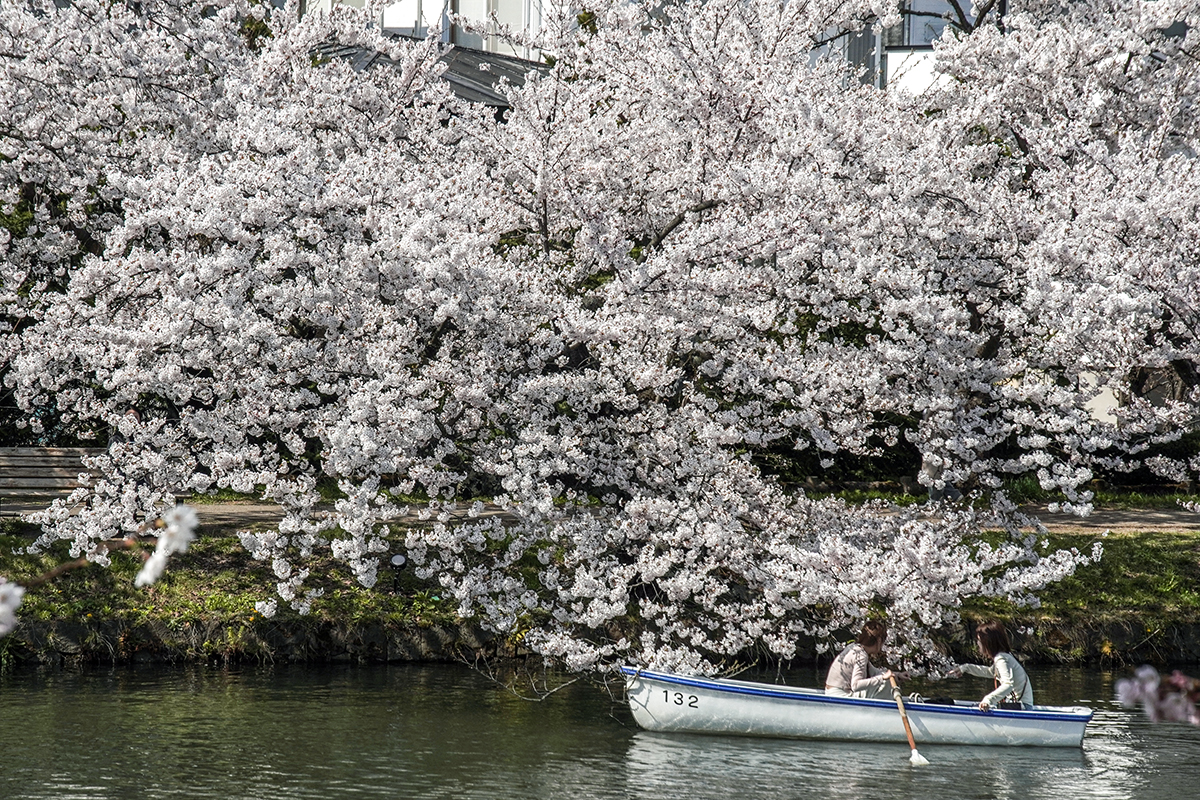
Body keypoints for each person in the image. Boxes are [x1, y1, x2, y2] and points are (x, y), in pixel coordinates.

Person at [948, 620, 1034, 711]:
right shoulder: (1004, 656)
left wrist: (988, 700)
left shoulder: (1001, 658)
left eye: (979, 640)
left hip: (1023, 708)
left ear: (988, 642)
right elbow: (991, 672)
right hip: (1021, 705)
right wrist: (965, 668)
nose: (977, 643)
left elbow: (1008, 684)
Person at [824, 620, 904, 700]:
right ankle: (885, 709)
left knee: (885, 680)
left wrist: (897, 675)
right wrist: (882, 678)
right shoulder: (860, 655)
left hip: (830, 692)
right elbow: (855, 685)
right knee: (886, 683)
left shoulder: (855, 648)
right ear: (879, 641)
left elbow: (875, 672)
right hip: (839, 696)